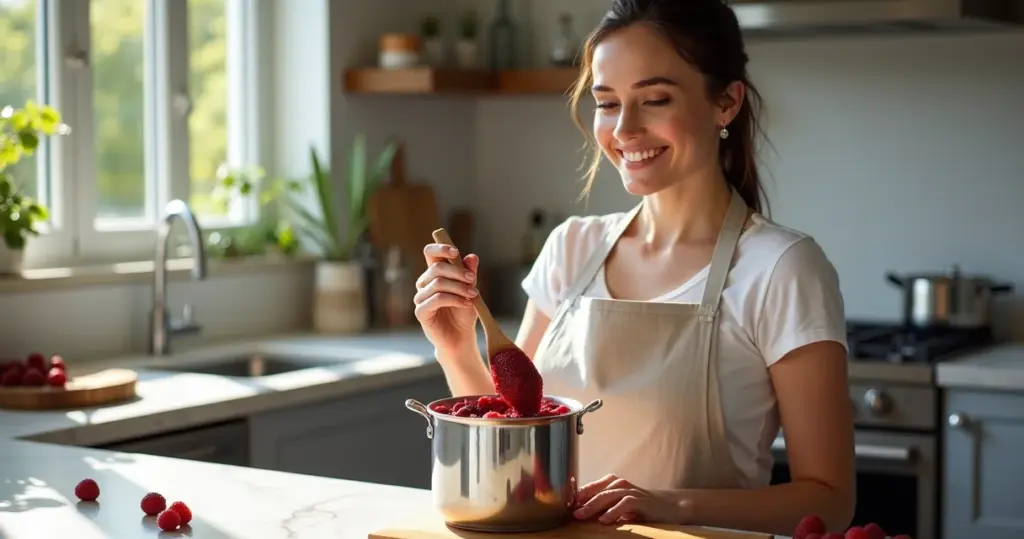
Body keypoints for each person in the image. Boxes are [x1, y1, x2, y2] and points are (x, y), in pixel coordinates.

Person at [412, 0, 855, 535]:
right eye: (607, 103)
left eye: (655, 99)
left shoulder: (782, 268)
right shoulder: (571, 247)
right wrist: (455, 347)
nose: (624, 128)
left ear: (726, 102)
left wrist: (672, 506)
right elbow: (511, 442)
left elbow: (829, 501)